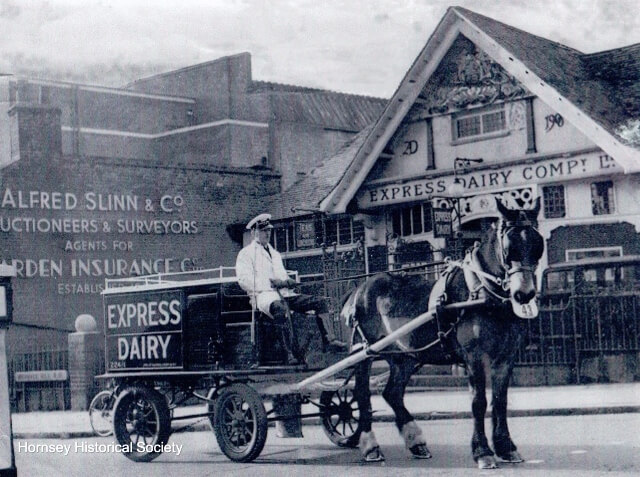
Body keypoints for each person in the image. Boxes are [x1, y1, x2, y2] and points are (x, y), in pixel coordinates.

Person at [235, 213, 347, 364]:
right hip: (263, 296)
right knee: (280, 309)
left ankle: (329, 341)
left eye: (269, 230)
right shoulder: (246, 254)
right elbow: (244, 280)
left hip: (285, 294)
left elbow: (281, 276)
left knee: (320, 302)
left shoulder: (275, 254)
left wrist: (287, 281)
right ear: (254, 232)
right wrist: (272, 283)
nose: (267, 233)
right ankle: (288, 354)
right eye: (263, 231)